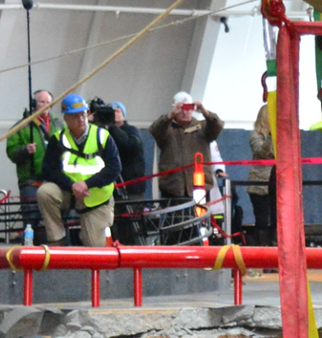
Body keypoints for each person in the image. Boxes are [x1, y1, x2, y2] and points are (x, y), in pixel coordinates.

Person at [38, 93, 120, 246]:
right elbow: (48, 170)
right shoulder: (58, 140)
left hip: (96, 198)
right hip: (69, 192)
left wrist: (87, 184)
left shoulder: (102, 136)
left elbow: (114, 168)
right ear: (66, 119)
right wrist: (72, 186)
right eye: (75, 116)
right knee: (45, 192)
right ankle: (57, 240)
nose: (81, 119)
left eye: (83, 114)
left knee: (95, 250)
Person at [148, 92, 222, 209]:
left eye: (188, 108)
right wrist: (169, 116)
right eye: (181, 109)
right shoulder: (167, 129)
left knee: (199, 219)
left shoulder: (203, 128)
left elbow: (218, 126)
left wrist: (205, 112)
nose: (185, 112)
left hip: (199, 187)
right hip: (173, 188)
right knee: (174, 220)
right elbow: (155, 130)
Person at [6, 88, 53, 240]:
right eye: (42, 102)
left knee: (54, 219)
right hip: (31, 181)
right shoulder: (20, 127)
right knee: (31, 219)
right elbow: (11, 153)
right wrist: (24, 150)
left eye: (48, 102)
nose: (46, 105)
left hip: (54, 180)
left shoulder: (58, 125)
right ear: (33, 104)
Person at [105, 101, 150, 245]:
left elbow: (129, 145)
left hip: (132, 187)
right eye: (111, 111)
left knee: (134, 224)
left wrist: (112, 127)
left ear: (123, 115)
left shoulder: (131, 131)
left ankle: (137, 251)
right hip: (112, 188)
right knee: (116, 224)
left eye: (117, 111)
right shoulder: (102, 133)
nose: (114, 114)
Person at [246, 99, 276, 247]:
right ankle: (263, 250)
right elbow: (262, 153)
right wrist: (271, 136)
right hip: (260, 183)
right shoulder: (255, 135)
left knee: (277, 218)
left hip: (277, 181)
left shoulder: (280, 136)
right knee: (262, 218)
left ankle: (276, 248)